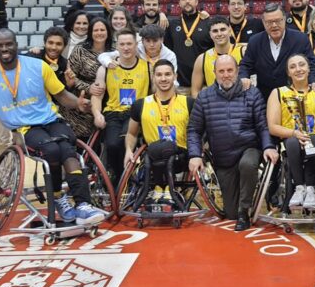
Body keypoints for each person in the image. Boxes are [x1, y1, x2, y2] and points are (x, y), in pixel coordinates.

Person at [0, 29, 105, 224]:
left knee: (67, 148)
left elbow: (61, 95)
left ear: (16, 44)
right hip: (24, 129)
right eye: (0, 45)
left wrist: (79, 105)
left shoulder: (38, 66)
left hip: (51, 120)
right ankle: (58, 197)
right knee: (52, 150)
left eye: (9, 44)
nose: (5, 48)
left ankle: (83, 205)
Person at [188, 54, 278, 231]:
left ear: (237, 72)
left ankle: (245, 210)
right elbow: (194, 130)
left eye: (230, 70)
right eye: (221, 71)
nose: (226, 74)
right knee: (230, 213)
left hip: (249, 148)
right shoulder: (204, 96)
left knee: (248, 164)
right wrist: (195, 155)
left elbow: (262, 125)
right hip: (223, 158)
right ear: (214, 73)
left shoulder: (252, 92)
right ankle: (238, 210)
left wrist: (268, 146)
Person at [266, 53, 315, 211]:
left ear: (308, 69)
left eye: (301, 65)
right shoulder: (278, 93)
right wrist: (294, 133)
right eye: (293, 66)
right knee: (293, 142)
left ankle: (310, 189)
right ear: (288, 72)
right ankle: (300, 187)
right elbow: (272, 126)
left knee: (314, 139)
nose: (298, 69)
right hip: (289, 142)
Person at [124, 60, 196, 204]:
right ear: (153, 77)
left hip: (180, 156)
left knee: (166, 146)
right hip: (151, 156)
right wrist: (128, 151)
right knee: (157, 148)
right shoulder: (140, 104)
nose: (163, 78)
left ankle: (160, 188)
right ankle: (160, 188)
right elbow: (131, 133)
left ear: (175, 76)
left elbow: (198, 131)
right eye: (159, 75)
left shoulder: (189, 103)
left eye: (168, 74)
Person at [92, 28, 151, 181]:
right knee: (112, 145)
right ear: (116, 46)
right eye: (122, 44)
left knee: (126, 141)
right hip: (113, 113)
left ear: (136, 45)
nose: (126, 48)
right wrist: (97, 114)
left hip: (136, 114)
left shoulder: (148, 67)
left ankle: (130, 178)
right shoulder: (105, 69)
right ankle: (116, 178)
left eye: (129, 44)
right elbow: (97, 96)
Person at [238, 3, 315, 104]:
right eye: (269, 22)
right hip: (265, 99)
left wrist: (314, 82)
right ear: (263, 23)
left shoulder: (300, 39)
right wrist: (243, 77)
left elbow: (312, 65)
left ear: (284, 19)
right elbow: (245, 65)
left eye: (277, 21)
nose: (274, 25)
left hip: (295, 98)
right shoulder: (255, 41)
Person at [165, 0, 214, 90]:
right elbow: (167, 52)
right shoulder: (171, 25)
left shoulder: (208, 23)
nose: (187, 1)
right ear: (179, 2)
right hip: (180, 86)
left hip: (204, 86)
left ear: (196, 1)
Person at [192, 17, 244, 97]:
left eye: (223, 29)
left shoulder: (243, 52)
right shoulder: (202, 59)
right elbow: (195, 91)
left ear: (230, 31)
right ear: (210, 34)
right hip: (215, 105)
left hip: (240, 102)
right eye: (215, 31)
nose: (219, 34)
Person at [97, 23, 178, 72]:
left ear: (162, 40)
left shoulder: (170, 55)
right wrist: (108, 63)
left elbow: (173, 79)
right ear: (142, 41)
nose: (151, 45)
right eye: (148, 41)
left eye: (155, 41)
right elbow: (102, 56)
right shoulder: (135, 49)